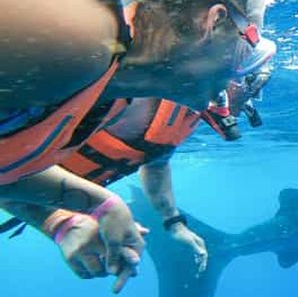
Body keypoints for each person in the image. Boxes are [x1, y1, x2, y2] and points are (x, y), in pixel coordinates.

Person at [0, 0, 277, 291]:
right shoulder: (76, 36)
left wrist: (98, 206)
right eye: (250, 48)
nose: (239, 77)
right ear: (213, 21)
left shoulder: (104, 91)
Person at [2, 69, 271, 283]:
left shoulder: (184, 111)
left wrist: (174, 223)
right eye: (251, 85)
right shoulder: (135, 98)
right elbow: (7, 164)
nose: (253, 97)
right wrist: (60, 223)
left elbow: (156, 164)